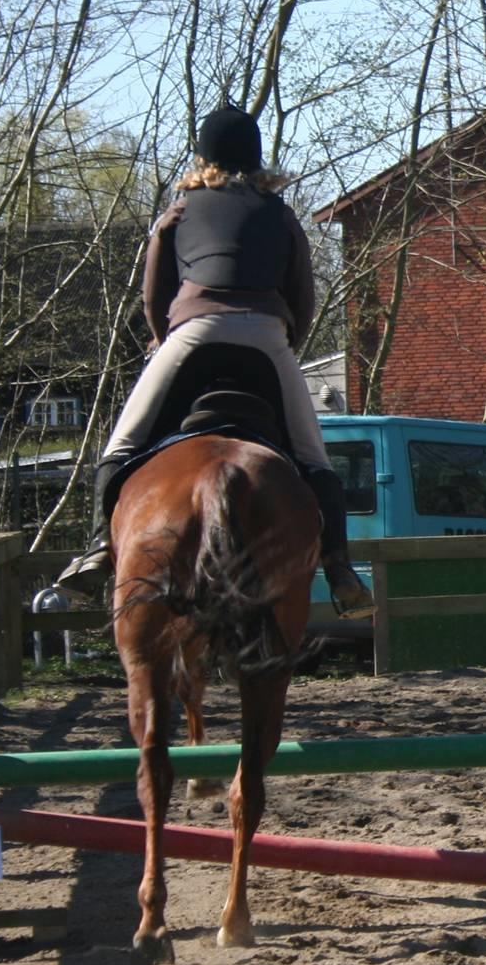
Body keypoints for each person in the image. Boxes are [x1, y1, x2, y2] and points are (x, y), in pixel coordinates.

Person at [57, 104, 374, 618]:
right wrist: (283, 344)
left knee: (122, 447)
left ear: (203, 156)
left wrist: (164, 340)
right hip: (267, 338)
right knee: (314, 461)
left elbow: (154, 296)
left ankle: (96, 550)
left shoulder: (178, 211)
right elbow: (303, 298)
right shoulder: (281, 214)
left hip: (192, 334)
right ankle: (340, 571)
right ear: (256, 157)